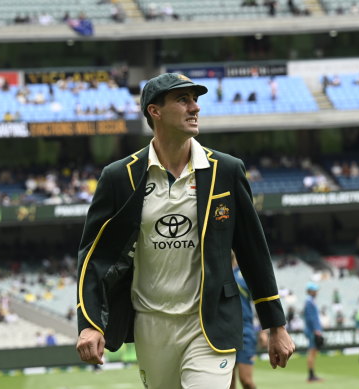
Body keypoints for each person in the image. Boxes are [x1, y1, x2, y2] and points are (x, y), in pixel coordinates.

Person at [75, 73, 295, 389]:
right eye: (183, 100)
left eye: (196, 100)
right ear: (155, 111)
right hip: (151, 326)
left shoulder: (227, 171)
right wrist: (90, 324)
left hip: (209, 324)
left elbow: (253, 251)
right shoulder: (118, 178)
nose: (195, 108)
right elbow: (94, 258)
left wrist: (276, 324)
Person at [230, 252, 259, 389]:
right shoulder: (218, 273)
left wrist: (264, 331)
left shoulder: (244, 275)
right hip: (225, 332)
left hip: (245, 331)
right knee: (228, 383)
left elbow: (259, 302)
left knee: (246, 380)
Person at [304, 282, 323, 382]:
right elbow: (311, 318)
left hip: (311, 330)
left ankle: (312, 374)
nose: (316, 292)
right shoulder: (309, 302)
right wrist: (316, 330)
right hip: (312, 331)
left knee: (313, 352)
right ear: (311, 291)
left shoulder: (309, 301)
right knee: (312, 352)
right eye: (315, 290)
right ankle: (311, 375)